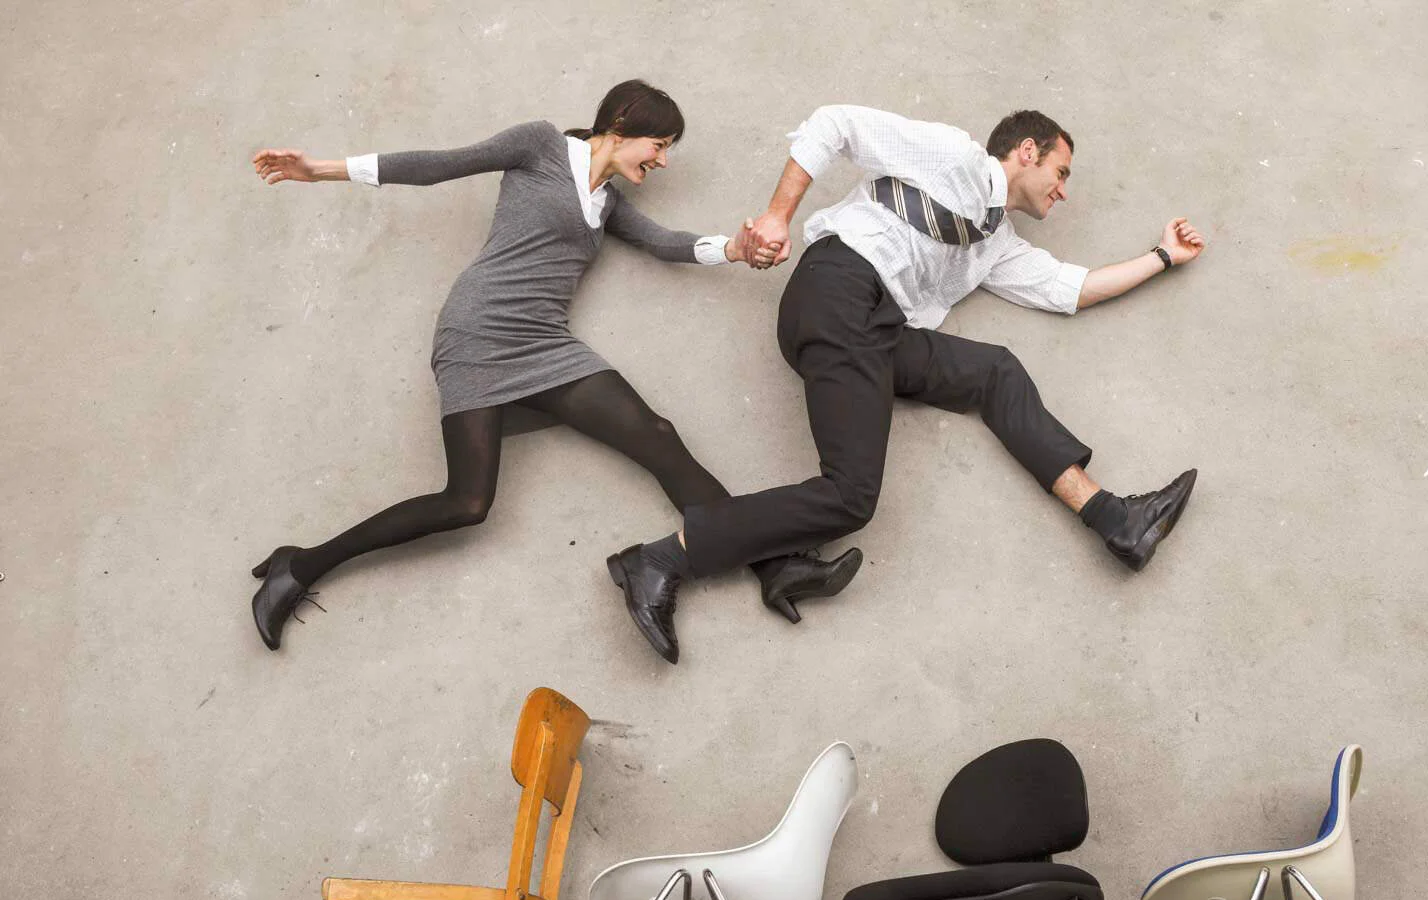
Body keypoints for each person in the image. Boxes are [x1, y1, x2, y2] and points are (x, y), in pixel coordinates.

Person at [248, 80, 861, 652]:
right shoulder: (539, 145)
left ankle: (775, 566)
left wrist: (735, 248)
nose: (664, 160)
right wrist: (320, 169)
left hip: (545, 343)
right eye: (659, 145)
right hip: (478, 332)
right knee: (466, 503)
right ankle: (298, 565)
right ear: (620, 125)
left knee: (656, 435)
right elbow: (439, 165)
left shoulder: (608, 202)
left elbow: (661, 241)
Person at [605, 104, 1206, 664]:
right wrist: (777, 217)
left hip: (879, 331)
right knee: (851, 497)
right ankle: (661, 559)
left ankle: (1112, 518)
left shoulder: (996, 244)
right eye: (1061, 171)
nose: (1064, 190)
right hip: (839, 288)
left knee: (994, 371)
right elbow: (834, 124)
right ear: (1028, 151)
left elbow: (1069, 289)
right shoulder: (951, 155)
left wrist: (1162, 257)